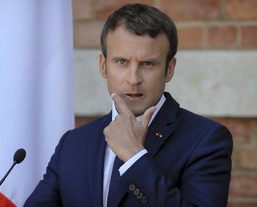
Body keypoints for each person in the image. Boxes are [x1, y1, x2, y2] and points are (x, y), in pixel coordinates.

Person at [24, 3, 232, 207]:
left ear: (169, 70)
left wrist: (135, 157)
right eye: (122, 62)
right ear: (103, 66)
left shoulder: (207, 140)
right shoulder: (73, 143)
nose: (133, 79)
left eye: (148, 64)